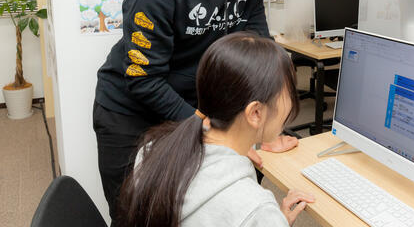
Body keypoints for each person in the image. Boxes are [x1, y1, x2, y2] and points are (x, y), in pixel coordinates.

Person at [93, 0, 298, 221]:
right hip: (129, 110)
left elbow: (260, 57)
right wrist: (205, 127)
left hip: (191, 108)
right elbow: (143, 80)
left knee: (188, 207)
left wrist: (268, 127)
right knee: (135, 213)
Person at [118, 32, 315, 227]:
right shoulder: (256, 209)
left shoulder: (154, 149)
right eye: (289, 91)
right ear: (255, 113)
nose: (292, 100)